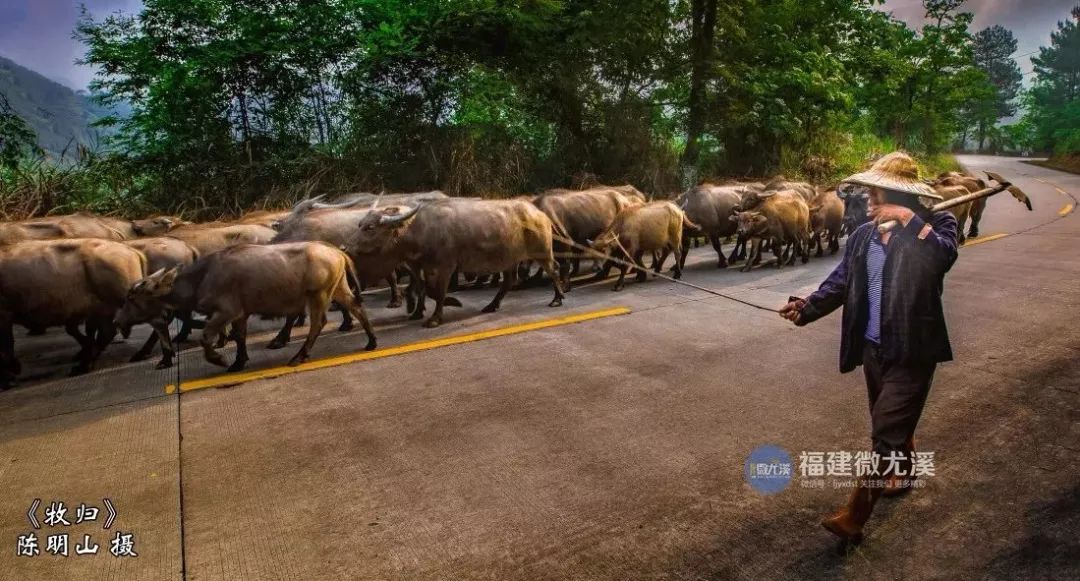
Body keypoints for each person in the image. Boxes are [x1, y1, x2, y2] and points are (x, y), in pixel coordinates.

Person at [779, 152, 959, 545]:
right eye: (869, 195)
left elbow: (940, 260)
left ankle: (854, 516)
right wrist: (806, 307)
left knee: (884, 433)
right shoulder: (863, 234)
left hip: (913, 350)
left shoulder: (937, 225)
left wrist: (911, 223)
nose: (869, 202)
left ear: (901, 195)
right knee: (893, 424)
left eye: (877, 195)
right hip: (874, 350)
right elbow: (841, 282)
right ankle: (906, 471)